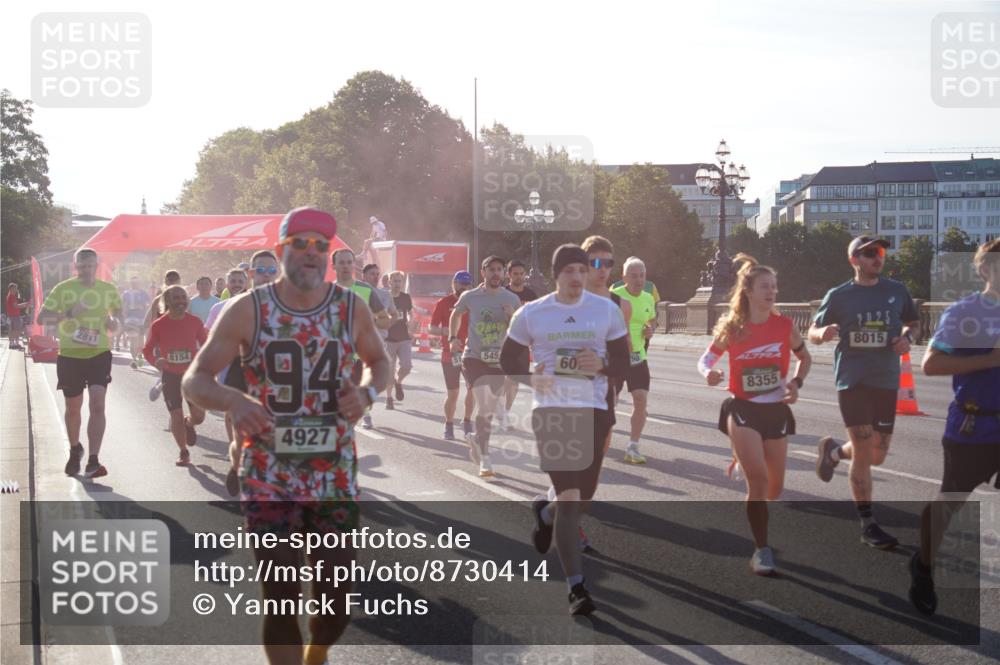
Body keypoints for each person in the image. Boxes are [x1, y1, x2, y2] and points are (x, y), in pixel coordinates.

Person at [183, 207, 389, 665]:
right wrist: (234, 401)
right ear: (281, 251)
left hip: (332, 472)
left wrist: (369, 392)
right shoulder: (247, 309)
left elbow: (380, 361)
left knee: (335, 605)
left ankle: (315, 655)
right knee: (280, 594)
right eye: (301, 243)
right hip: (269, 472)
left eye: (322, 245)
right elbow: (194, 381)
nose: (313, 253)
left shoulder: (349, 306)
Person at [501, 244, 629, 615]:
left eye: (581, 269)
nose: (576, 276)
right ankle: (577, 588)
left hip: (595, 409)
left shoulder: (606, 310)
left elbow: (624, 363)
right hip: (553, 411)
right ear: (557, 275)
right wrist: (529, 378)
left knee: (581, 499)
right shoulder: (533, 313)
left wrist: (602, 364)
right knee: (571, 499)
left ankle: (545, 513)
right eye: (568, 270)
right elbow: (507, 359)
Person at [697, 254, 813, 575]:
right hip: (742, 408)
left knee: (774, 489)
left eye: (775, 287)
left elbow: (805, 358)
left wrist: (796, 382)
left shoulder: (784, 326)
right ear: (748, 290)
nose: (772, 292)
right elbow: (705, 360)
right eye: (765, 286)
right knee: (758, 481)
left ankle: (741, 457)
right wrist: (709, 373)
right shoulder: (733, 328)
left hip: (776, 411)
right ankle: (761, 550)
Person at [810, 235, 920, 550]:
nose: (878, 258)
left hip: (885, 380)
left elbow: (914, 323)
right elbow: (812, 330)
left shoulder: (897, 292)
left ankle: (832, 452)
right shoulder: (839, 295)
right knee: (862, 447)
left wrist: (907, 338)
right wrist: (822, 333)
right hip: (852, 379)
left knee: (878, 454)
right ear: (855, 259)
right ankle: (868, 524)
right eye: (871, 253)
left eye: (881, 252)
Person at [909, 239, 1000, 615]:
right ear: (984, 270)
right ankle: (924, 565)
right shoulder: (966, 313)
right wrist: (991, 359)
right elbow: (930, 365)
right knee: (950, 504)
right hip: (973, 426)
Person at [38, 248, 122, 479]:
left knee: (97, 404)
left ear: (97, 266)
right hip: (70, 355)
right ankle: (75, 449)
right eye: (82, 266)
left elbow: (118, 317)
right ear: (76, 266)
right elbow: (42, 318)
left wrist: (114, 322)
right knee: (73, 408)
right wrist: (70, 313)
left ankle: (94, 459)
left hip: (99, 354)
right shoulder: (63, 288)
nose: (86, 270)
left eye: (90, 266)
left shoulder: (107, 289)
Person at [449, 256, 521, 477]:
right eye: (492, 270)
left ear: (504, 274)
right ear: (483, 272)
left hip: (498, 360)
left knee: (488, 409)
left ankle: (477, 440)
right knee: (483, 402)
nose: (496, 274)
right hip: (474, 357)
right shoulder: (470, 296)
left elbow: (517, 332)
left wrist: (511, 316)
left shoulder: (512, 299)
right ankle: (486, 460)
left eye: (500, 270)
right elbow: (456, 314)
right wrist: (452, 338)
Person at [218, 250, 280, 496]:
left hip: (278, 379)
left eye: (271, 271)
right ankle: (237, 467)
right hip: (242, 375)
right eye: (261, 271)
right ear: (252, 274)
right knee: (242, 439)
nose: (266, 276)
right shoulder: (236, 304)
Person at [142, 285, 207, 466]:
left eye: (183, 297)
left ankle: (190, 423)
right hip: (170, 376)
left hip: (192, 376)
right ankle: (183, 451)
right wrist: (155, 361)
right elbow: (147, 350)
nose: (180, 301)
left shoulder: (195, 322)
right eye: (176, 298)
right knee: (175, 415)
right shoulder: (159, 325)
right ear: (167, 302)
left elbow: (207, 344)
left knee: (199, 416)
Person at [333, 249, 391, 429]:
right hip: (332, 355)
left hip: (358, 355)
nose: (345, 266)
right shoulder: (326, 292)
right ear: (333, 265)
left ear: (354, 265)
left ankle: (364, 414)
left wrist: (370, 321)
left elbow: (385, 319)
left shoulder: (366, 290)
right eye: (341, 262)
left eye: (349, 262)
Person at [611, 257, 658, 464]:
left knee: (641, 399)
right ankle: (601, 437)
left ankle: (633, 446)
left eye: (642, 275)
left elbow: (652, 320)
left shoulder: (648, 298)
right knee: (609, 403)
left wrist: (651, 330)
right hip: (615, 359)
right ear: (624, 278)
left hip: (638, 357)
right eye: (634, 275)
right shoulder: (614, 298)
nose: (639, 280)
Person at [430, 271, 476, 440]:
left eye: (467, 284)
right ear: (454, 284)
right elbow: (431, 328)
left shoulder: (475, 303)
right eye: (461, 283)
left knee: (473, 388)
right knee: (453, 393)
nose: (464, 286)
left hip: (471, 353)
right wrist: (446, 331)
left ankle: (467, 422)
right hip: (451, 354)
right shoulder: (444, 302)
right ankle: (448, 424)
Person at [497, 260, 538, 429]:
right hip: (499, 342)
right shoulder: (501, 293)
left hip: (521, 343)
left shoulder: (531, 296)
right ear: (509, 275)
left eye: (522, 274)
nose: (519, 277)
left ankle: (505, 413)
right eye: (515, 274)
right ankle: (499, 409)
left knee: (514, 380)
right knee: (499, 380)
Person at [145, 270, 182, 402]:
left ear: (179, 281)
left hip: (181, 340)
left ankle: (161, 384)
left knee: (177, 369)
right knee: (167, 368)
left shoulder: (184, 298)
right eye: (169, 279)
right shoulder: (158, 300)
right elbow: (152, 322)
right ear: (165, 282)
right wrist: (150, 340)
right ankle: (162, 385)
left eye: (175, 279)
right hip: (163, 340)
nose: (172, 281)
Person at [384, 270, 414, 409]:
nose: (397, 284)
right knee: (389, 371)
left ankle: (399, 381)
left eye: (400, 281)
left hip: (403, 337)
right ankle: (389, 398)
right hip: (388, 338)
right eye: (395, 281)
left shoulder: (406, 297)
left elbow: (410, 314)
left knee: (407, 366)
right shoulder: (384, 296)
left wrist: (412, 324)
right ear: (389, 282)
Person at [121, 276, 152, 369]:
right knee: (133, 339)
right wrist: (123, 317)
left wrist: (145, 308)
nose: (134, 284)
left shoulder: (144, 293)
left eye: (136, 282)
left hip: (142, 319)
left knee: (140, 339)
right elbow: (122, 306)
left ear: (139, 283)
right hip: (130, 319)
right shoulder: (126, 294)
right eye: (133, 282)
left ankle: (139, 356)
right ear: (130, 283)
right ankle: (134, 359)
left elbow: (150, 304)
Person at [6, 283, 29, 349]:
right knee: (16, 330)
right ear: (11, 288)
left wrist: (23, 304)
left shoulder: (10, 295)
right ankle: (15, 344)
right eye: (15, 288)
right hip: (14, 316)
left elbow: (14, 305)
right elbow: (15, 306)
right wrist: (24, 304)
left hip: (12, 316)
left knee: (12, 330)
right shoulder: (12, 296)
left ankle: (12, 344)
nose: (16, 289)